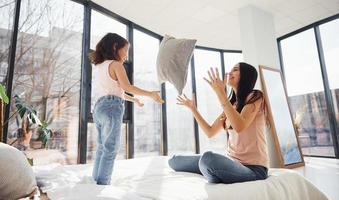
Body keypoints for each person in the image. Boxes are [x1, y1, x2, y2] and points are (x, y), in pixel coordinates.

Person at [169, 62, 268, 184]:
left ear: (246, 76)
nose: (229, 72)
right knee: (175, 161)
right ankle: (214, 173)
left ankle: (213, 173)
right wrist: (193, 109)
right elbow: (210, 132)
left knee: (208, 159)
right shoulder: (231, 106)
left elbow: (240, 126)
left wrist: (221, 93)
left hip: (253, 169)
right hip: (232, 162)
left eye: (235, 70)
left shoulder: (256, 96)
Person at [89, 33, 164, 185]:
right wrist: (150, 94)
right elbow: (126, 87)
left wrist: (133, 99)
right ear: (115, 47)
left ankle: (95, 181)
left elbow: (112, 91)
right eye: (126, 50)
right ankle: (102, 184)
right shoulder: (116, 65)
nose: (126, 55)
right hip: (111, 108)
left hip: (98, 108)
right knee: (110, 149)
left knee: (102, 147)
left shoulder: (99, 66)